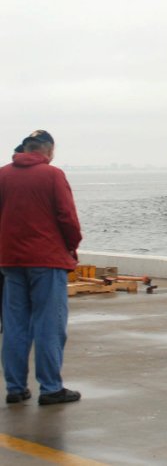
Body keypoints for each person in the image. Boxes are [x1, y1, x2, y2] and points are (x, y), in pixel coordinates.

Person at [0, 130, 82, 406]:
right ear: (48, 150)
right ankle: (50, 388)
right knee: (49, 325)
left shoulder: (3, 175)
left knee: (14, 325)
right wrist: (72, 246)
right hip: (47, 260)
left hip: (11, 262)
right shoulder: (52, 175)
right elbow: (67, 217)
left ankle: (14, 387)